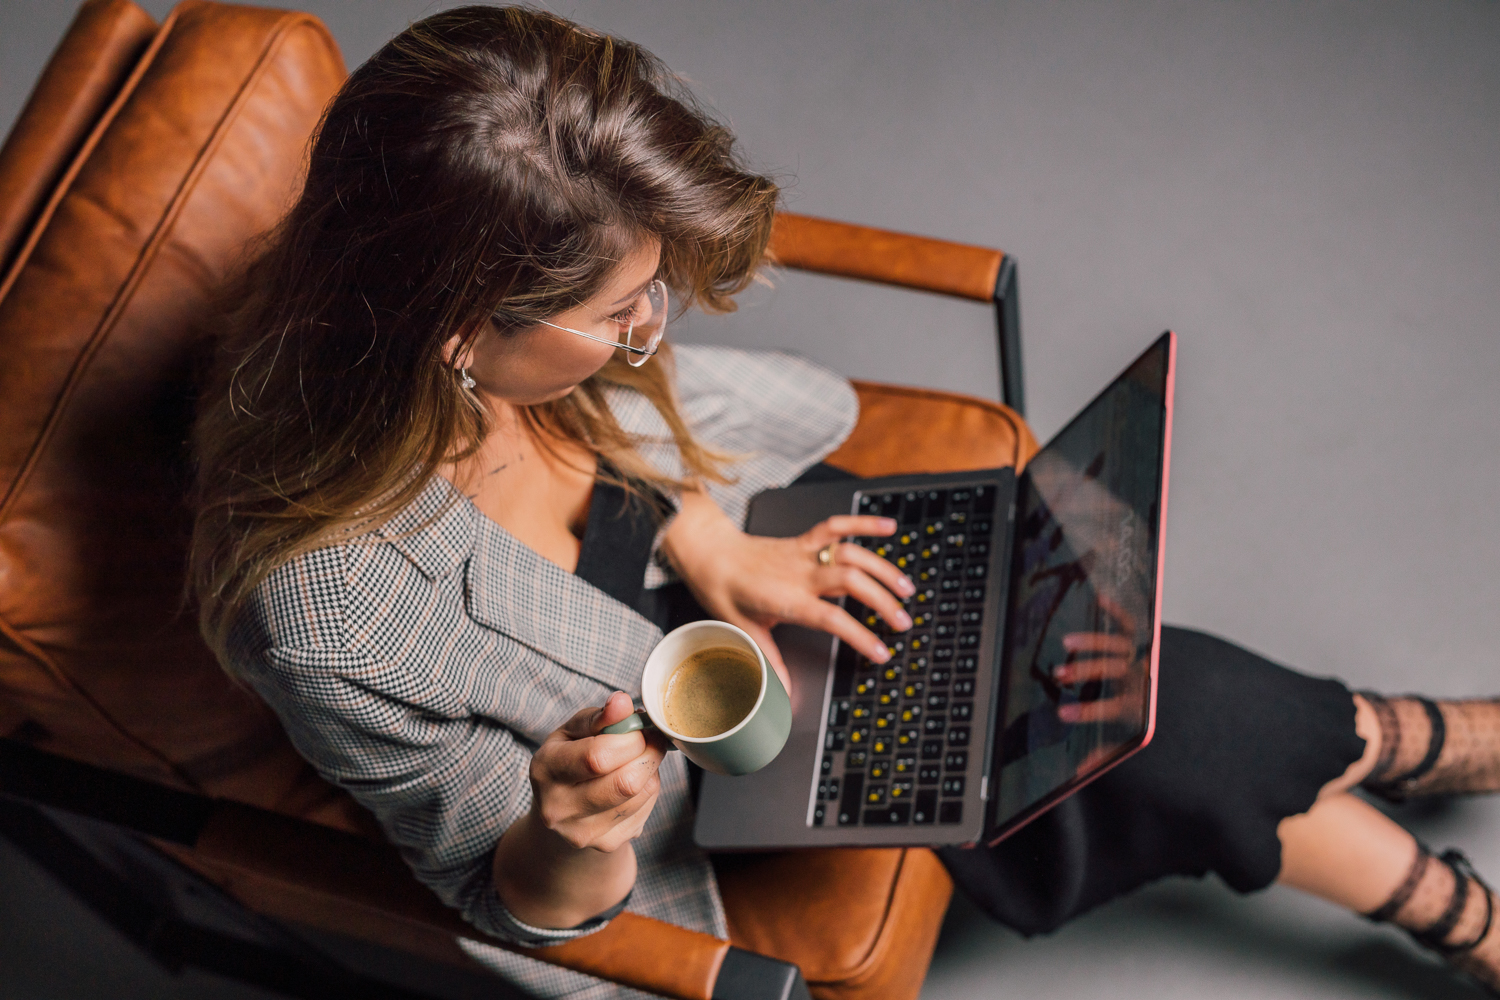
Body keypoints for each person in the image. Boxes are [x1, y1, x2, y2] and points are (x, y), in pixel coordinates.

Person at [189, 7, 1499, 998]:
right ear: (460, 335)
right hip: (715, 770)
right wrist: (575, 824)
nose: (653, 335)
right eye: (615, 315)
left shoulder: (384, 304)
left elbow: (604, 438)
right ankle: (1421, 796)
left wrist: (705, 537)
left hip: (747, 577)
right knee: (1153, 709)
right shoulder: (332, 617)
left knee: (1089, 658)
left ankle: (1423, 814)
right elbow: (517, 901)